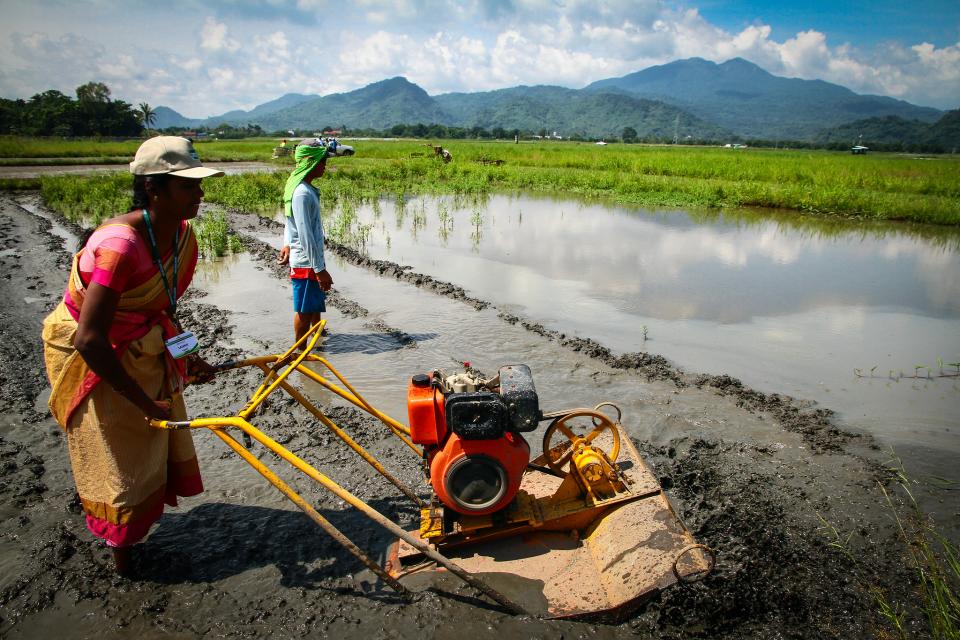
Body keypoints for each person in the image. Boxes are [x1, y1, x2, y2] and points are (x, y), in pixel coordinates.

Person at [41, 136, 223, 574]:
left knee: (150, 443)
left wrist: (188, 355)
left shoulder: (181, 237)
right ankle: (123, 559)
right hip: (95, 357)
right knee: (117, 454)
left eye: (199, 185)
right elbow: (89, 338)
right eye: (188, 186)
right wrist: (143, 402)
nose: (199, 194)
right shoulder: (119, 246)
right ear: (153, 189)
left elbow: (163, 309)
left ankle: (140, 526)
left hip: (140, 344)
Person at [277, 139, 334, 342]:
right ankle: (300, 352)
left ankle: (317, 336)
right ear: (310, 162)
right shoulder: (301, 193)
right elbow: (304, 233)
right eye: (322, 161)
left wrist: (286, 243)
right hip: (306, 262)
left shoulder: (305, 189)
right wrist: (319, 269)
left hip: (311, 258)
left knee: (314, 304)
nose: (325, 165)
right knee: (305, 309)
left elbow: (289, 221)